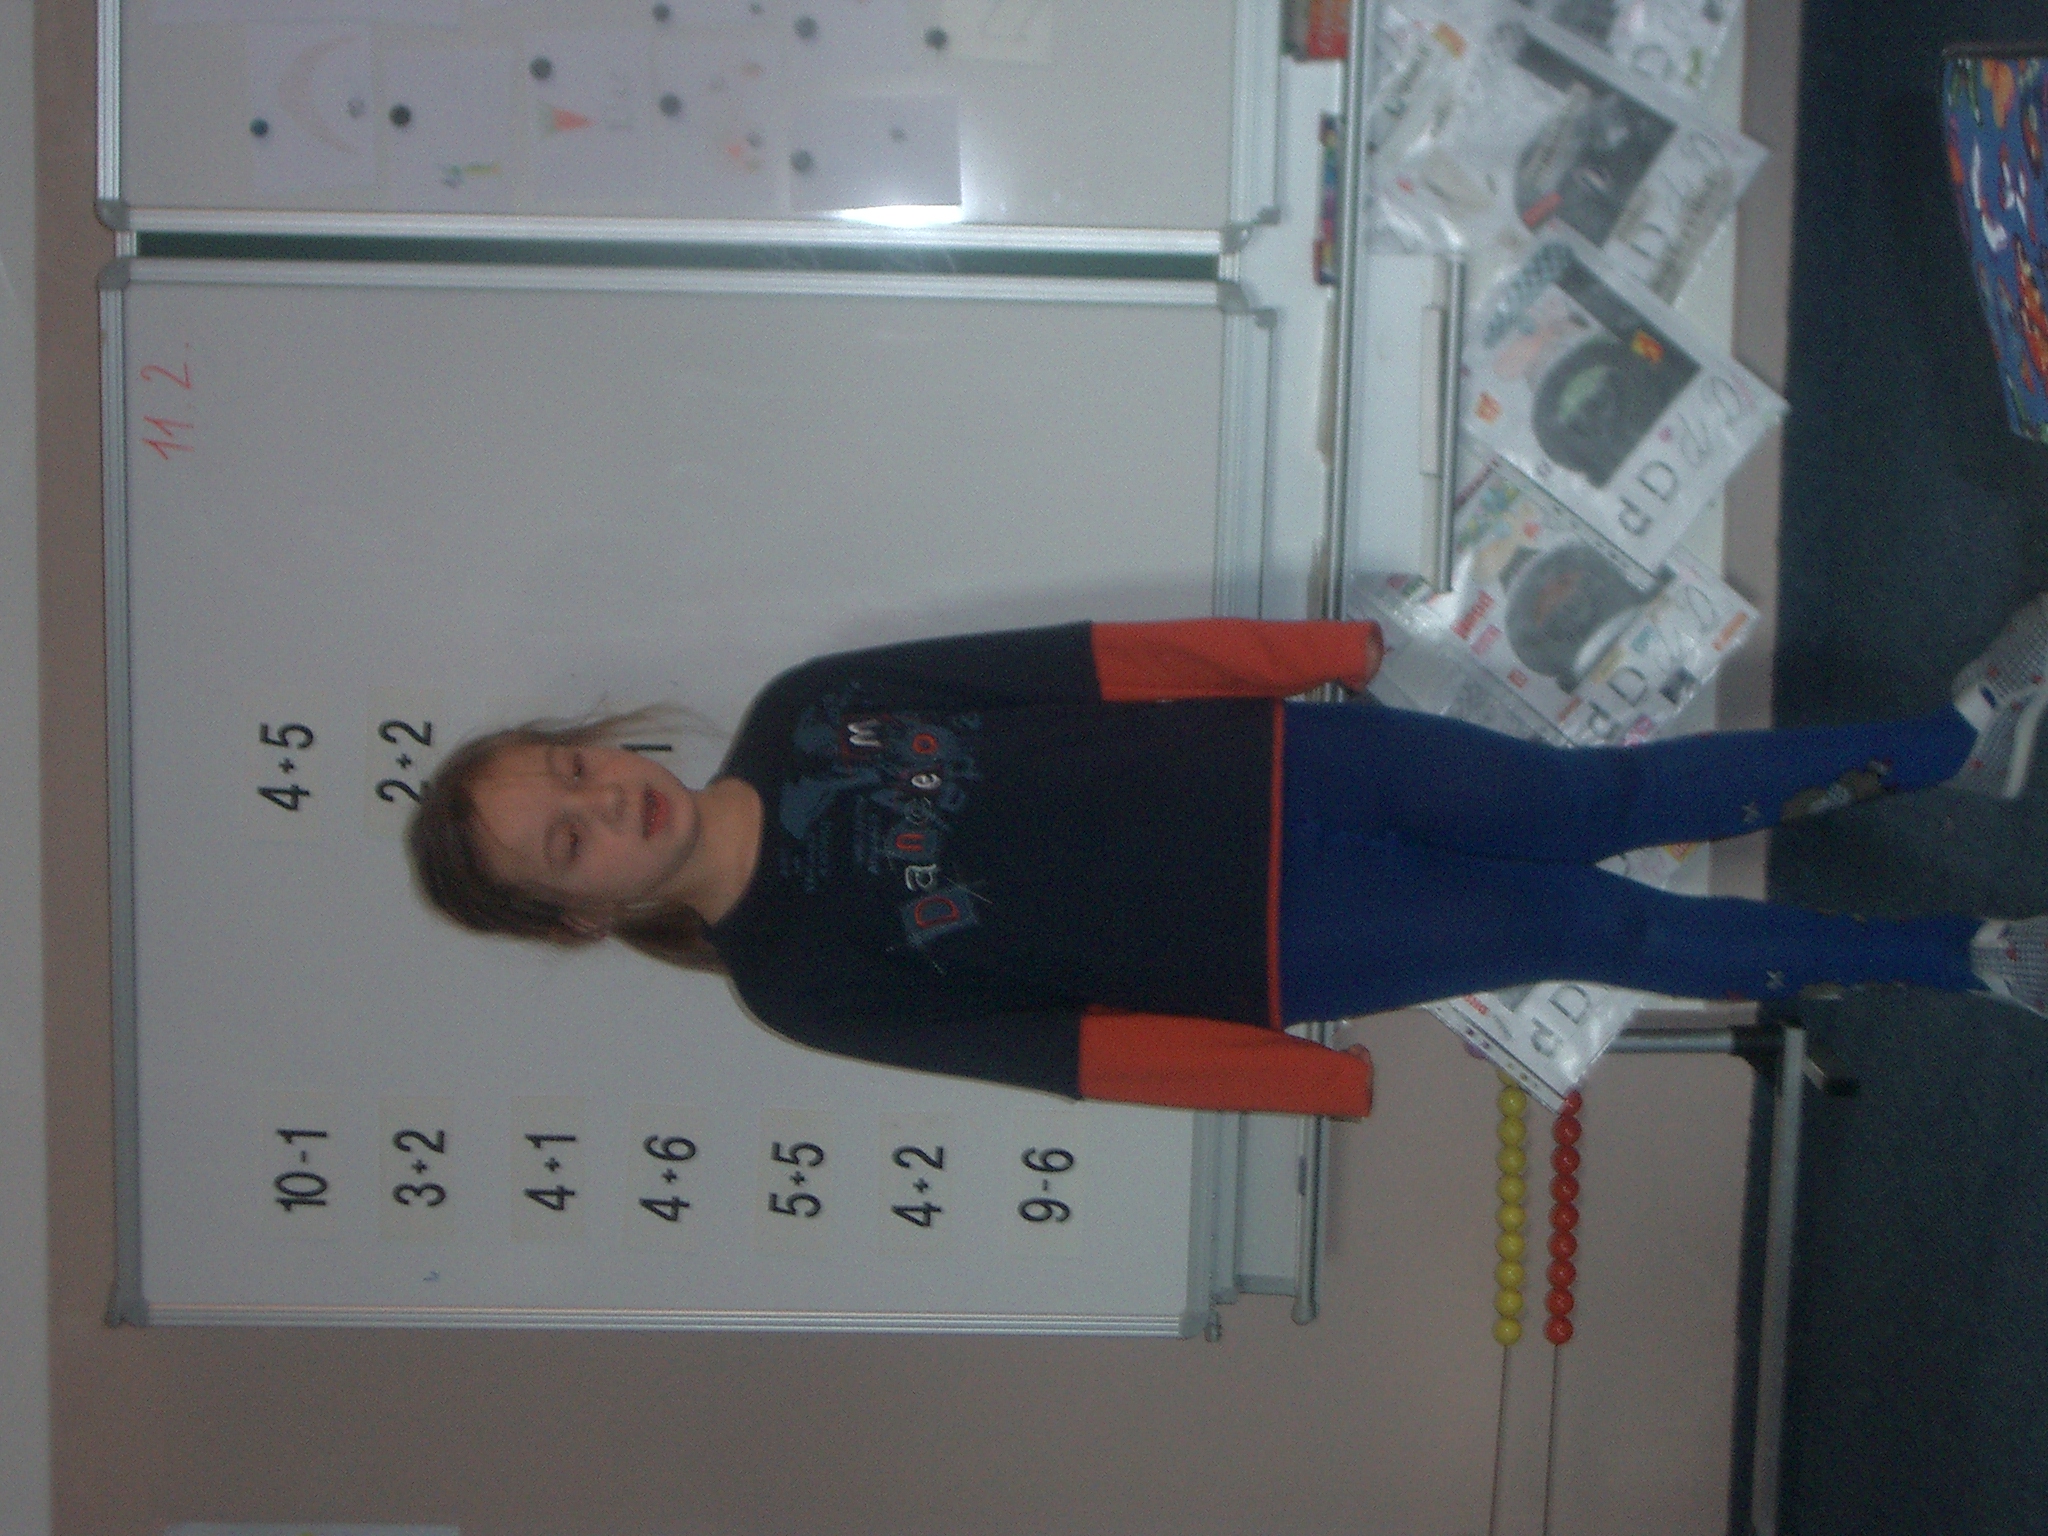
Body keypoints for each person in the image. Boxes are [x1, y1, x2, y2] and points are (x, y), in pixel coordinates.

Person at [406, 599, 2048, 1120]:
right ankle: (1966, 958)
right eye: (567, 837)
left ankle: (1953, 742)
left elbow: (1078, 663)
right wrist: (1288, 1081)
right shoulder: (794, 985)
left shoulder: (802, 704)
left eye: (574, 767)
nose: (606, 801)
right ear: (572, 913)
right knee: (1596, 927)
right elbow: (1062, 1055)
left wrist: (1298, 652)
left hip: (1289, 757)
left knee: (1598, 797)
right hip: (1282, 935)